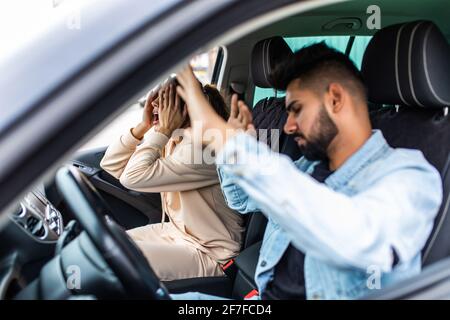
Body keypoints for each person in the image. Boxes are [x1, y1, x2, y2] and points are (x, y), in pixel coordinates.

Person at [172, 42, 443, 299]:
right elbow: (240, 200)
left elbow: (355, 238)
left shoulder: (410, 176)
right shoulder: (307, 168)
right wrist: (228, 152)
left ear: (335, 99)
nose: (288, 126)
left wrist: (230, 143)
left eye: (297, 109)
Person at [100, 79, 244, 281]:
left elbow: (132, 178)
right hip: (175, 232)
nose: (155, 107)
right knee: (104, 247)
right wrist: (144, 126)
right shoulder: (177, 138)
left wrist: (162, 131)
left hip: (210, 252)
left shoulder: (202, 148)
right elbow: (111, 164)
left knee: (116, 262)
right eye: (155, 101)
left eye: (164, 102)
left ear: (185, 107)